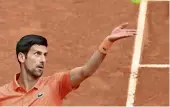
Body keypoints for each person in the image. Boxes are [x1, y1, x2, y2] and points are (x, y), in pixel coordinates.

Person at [0, 22, 136, 106]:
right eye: (37, 54)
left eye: (45, 55)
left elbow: (85, 71)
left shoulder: (55, 84)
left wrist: (107, 42)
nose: (43, 60)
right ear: (22, 57)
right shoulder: (2, 95)